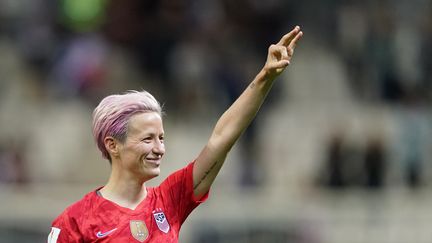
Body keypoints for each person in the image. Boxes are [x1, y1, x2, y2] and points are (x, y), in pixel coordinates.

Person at [47, 26, 303, 243]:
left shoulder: (169, 200)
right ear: (113, 145)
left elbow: (222, 138)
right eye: (148, 139)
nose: (159, 148)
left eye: (161, 138)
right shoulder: (75, 222)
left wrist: (264, 78)